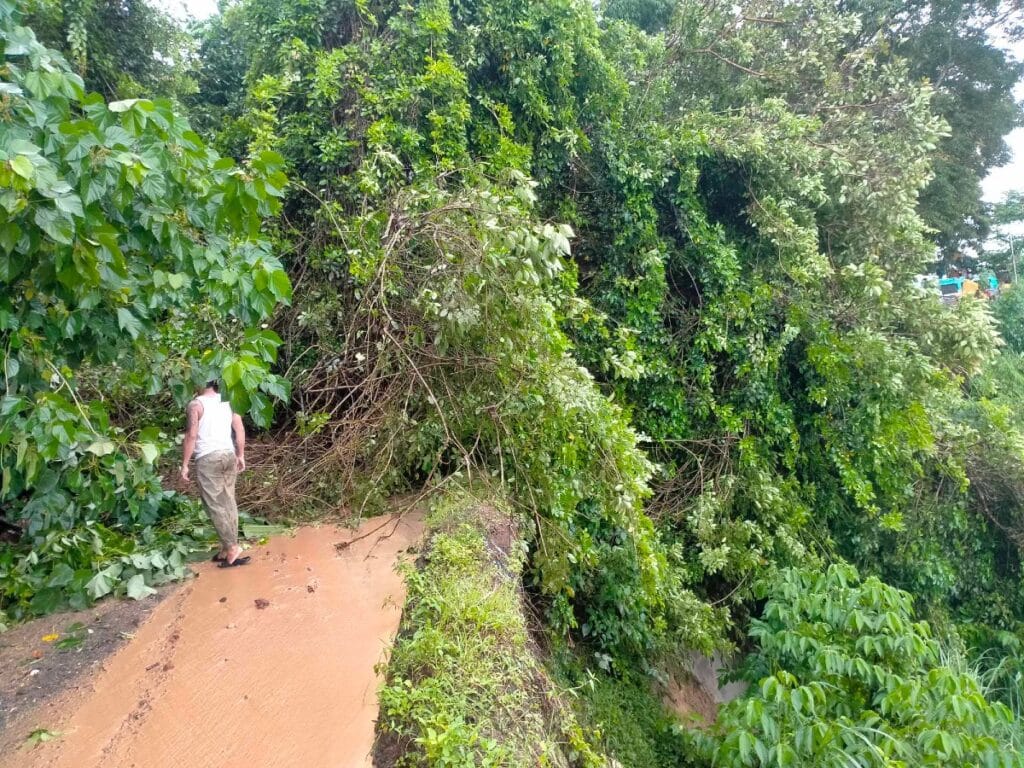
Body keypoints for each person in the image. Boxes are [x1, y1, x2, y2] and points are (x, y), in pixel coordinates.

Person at [180, 380, 250, 567]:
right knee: (228, 501)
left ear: (200, 383)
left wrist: (185, 464)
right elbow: (239, 428)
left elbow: (191, 435)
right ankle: (227, 548)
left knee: (214, 505)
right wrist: (240, 454)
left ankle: (232, 547)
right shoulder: (229, 401)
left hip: (208, 459)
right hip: (228, 455)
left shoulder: (196, 404)